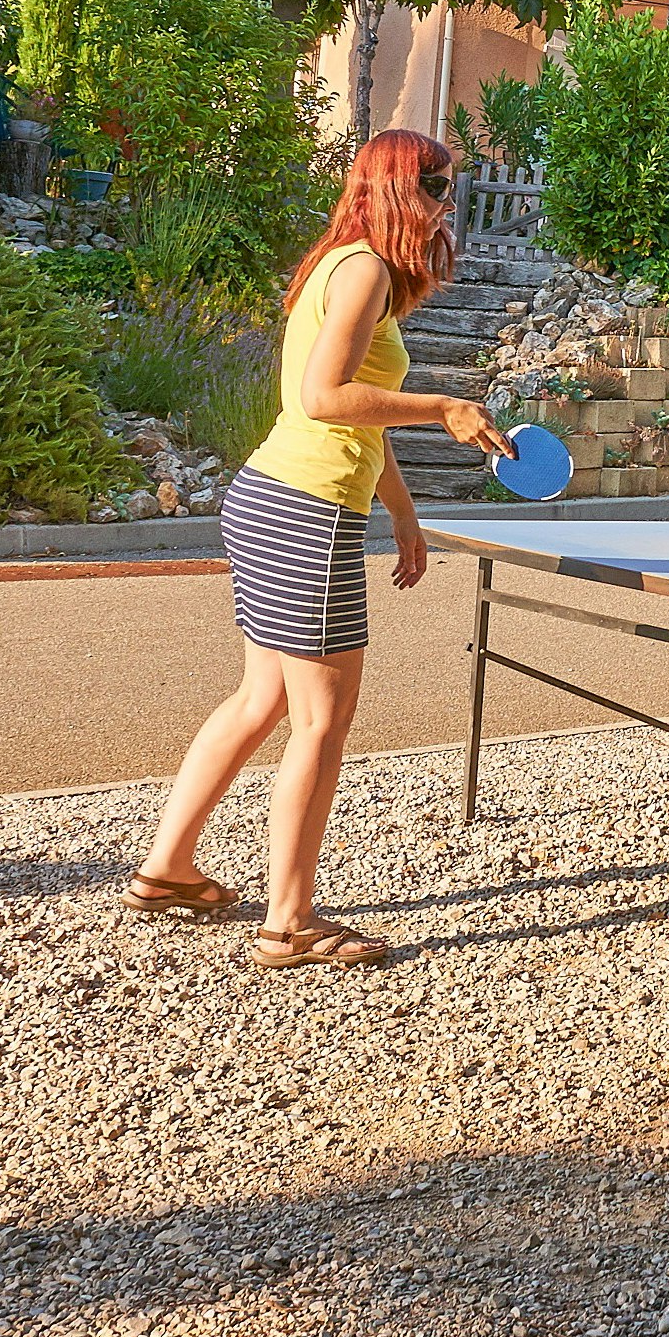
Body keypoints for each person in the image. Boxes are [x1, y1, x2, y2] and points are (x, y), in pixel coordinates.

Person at [122, 129, 512, 967]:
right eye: (435, 185)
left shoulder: (341, 264)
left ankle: (166, 867)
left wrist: (402, 511)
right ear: (393, 185)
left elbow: (363, 408)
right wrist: (447, 405)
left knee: (260, 697)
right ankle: (289, 923)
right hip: (306, 511)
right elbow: (327, 396)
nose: (446, 201)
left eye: (449, 186)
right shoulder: (366, 268)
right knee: (321, 722)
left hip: (268, 497)